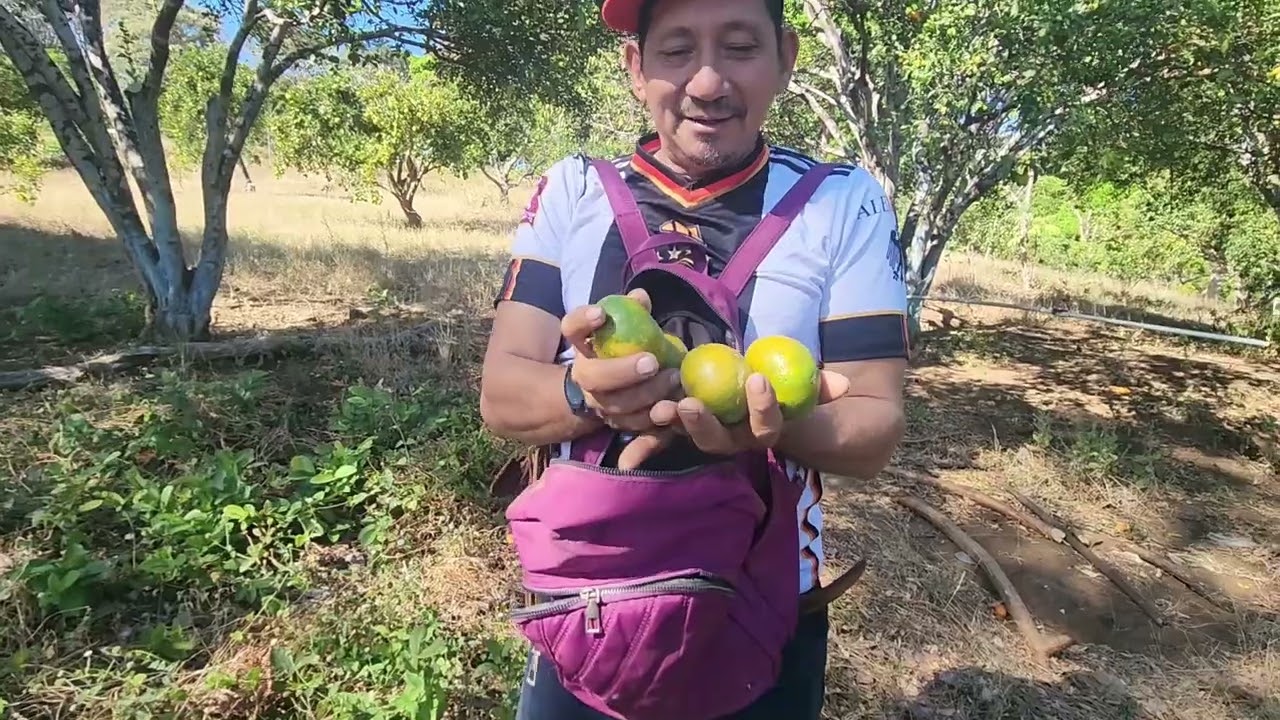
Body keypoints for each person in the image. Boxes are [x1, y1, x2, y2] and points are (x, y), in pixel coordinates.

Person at [478, 0, 910, 716]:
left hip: (764, 611)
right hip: (590, 598)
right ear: (635, 66)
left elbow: (874, 425)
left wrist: (764, 424)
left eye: (740, 46)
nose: (708, 82)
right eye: (677, 50)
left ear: (787, 58)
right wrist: (585, 396)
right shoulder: (573, 190)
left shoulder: (841, 204)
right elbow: (502, 394)